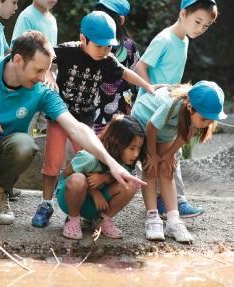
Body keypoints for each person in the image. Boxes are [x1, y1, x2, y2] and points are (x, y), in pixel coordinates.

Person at [0, 31, 144, 233]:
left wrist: (111, 163)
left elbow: (76, 128)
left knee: (26, 144)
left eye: (47, 71)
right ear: (18, 60)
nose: (43, 78)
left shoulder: (41, 91)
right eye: (38, 70)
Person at [33, 11, 156, 228]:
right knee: (53, 161)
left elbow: (126, 73)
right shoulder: (67, 50)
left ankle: (82, 205)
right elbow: (46, 57)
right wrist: (49, 75)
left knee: (91, 162)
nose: (104, 51)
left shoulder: (107, 60)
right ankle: (45, 203)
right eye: (99, 46)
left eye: (109, 46)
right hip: (59, 116)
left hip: (86, 120)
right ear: (83, 39)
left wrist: (147, 86)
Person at [135, 0, 218, 219]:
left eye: (206, 26)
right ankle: (171, 202)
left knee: (171, 154)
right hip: (154, 108)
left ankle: (171, 202)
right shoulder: (164, 40)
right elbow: (140, 66)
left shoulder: (184, 41)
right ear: (183, 14)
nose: (200, 29)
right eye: (198, 22)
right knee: (158, 157)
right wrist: (151, 89)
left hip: (174, 106)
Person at [131, 81, 227, 242]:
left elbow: (186, 134)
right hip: (145, 122)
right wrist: (153, 155)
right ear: (190, 107)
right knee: (151, 168)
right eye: (205, 119)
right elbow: (151, 127)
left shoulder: (197, 116)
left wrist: (169, 155)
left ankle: (173, 220)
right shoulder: (172, 105)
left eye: (211, 120)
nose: (208, 124)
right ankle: (152, 217)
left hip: (165, 130)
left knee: (167, 170)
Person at [56, 115, 146, 240]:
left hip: (98, 206)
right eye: (132, 148)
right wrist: (94, 192)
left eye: (139, 149)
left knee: (131, 182)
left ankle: (103, 220)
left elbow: (119, 178)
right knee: (78, 179)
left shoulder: (126, 161)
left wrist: (105, 178)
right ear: (116, 142)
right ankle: (73, 219)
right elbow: (66, 174)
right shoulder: (89, 157)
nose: (136, 154)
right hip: (69, 200)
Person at [11, 0, 59, 134]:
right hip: (31, 77)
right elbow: (17, 49)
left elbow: (52, 54)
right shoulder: (27, 16)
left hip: (49, 76)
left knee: (47, 123)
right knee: (28, 117)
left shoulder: (52, 19)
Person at [92, 0, 140, 135]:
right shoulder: (129, 46)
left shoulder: (128, 47)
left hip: (115, 111)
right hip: (97, 109)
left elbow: (136, 78)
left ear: (120, 20)